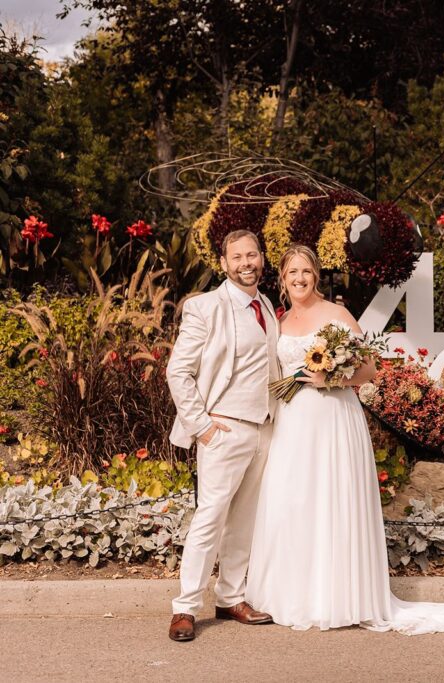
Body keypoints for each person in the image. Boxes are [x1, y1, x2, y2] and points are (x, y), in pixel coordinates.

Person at [245, 244, 444, 635]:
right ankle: (292, 595)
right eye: (292, 272)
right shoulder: (279, 321)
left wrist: (329, 378)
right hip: (292, 423)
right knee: (291, 502)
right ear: (282, 277)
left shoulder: (337, 315)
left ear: (316, 276)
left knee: (332, 501)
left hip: (332, 418)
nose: (299, 279)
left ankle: (335, 598)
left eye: (306, 272)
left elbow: (368, 371)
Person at [165, 230, 282, 642]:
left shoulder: (267, 305)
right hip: (223, 429)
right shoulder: (205, 307)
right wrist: (203, 427)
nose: (246, 263)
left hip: (264, 428)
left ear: (262, 259)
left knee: (244, 520)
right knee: (210, 517)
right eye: (237, 257)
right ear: (224, 263)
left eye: (252, 255)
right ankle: (185, 607)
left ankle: (231, 596)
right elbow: (178, 372)